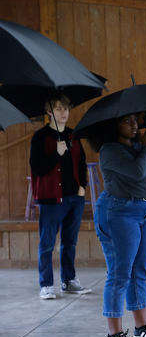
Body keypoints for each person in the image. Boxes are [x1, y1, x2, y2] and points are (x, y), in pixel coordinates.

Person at [88, 113, 146, 337]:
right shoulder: (109, 150)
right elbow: (136, 172)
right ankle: (113, 336)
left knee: (140, 270)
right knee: (119, 273)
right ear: (113, 124)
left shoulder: (139, 146)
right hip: (118, 212)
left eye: (136, 120)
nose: (134, 124)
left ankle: (141, 327)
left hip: (144, 210)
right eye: (127, 120)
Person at [29, 93, 91, 300]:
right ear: (49, 112)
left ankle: (69, 281)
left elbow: (82, 163)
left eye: (65, 108)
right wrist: (56, 153)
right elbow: (37, 168)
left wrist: (83, 186)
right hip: (52, 199)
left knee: (70, 241)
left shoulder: (73, 136)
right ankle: (46, 284)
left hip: (75, 197)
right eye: (58, 109)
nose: (63, 112)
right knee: (47, 242)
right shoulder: (40, 137)